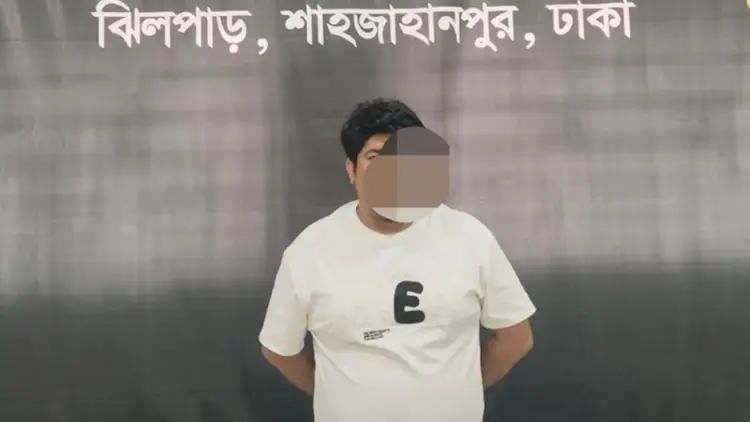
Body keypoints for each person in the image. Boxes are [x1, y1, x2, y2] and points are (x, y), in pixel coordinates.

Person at [259, 97, 536, 422]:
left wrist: (464, 389)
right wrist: (337, 395)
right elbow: (280, 350)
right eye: (375, 157)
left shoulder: (469, 237)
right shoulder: (309, 251)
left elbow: (515, 337)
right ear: (351, 170)